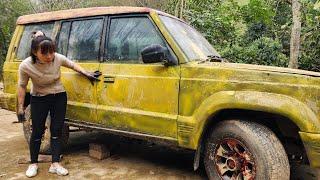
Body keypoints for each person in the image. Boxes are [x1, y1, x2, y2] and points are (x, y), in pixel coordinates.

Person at [17, 31, 100, 177]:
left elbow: (72, 65)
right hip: (39, 98)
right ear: (35, 52)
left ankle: (55, 164)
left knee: (56, 131)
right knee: (37, 132)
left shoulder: (57, 58)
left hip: (59, 97)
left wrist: (86, 73)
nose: (50, 56)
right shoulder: (25, 66)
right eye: (45, 53)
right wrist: (20, 108)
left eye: (52, 52)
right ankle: (33, 164)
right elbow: (22, 86)